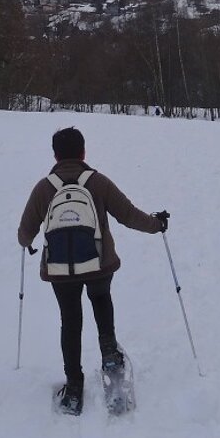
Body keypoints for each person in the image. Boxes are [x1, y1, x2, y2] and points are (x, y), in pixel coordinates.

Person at [17, 127, 168, 415]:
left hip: (60, 270)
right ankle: (110, 359)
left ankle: (74, 385)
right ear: (83, 152)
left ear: (55, 155)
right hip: (98, 264)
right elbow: (129, 215)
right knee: (102, 304)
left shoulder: (44, 187)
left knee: (70, 320)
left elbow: (25, 233)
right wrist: (157, 224)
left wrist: (26, 243)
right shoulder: (97, 182)